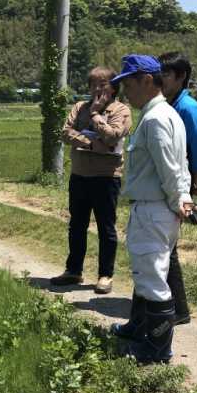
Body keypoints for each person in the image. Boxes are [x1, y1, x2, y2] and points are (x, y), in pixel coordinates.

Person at [109, 54, 195, 364]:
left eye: (128, 84)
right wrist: (182, 200)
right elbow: (180, 167)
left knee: (154, 281)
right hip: (158, 209)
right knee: (147, 272)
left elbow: (170, 168)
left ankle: (156, 351)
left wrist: (178, 201)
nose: (125, 93)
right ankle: (138, 329)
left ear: (147, 80)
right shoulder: (164, 113)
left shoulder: (157, 118)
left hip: (153, 209)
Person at [51, 67, 132, 295]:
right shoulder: (79, 107)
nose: (97, 89)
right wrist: (91, 143)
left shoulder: (120, 110)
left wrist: (96, 115)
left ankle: (105, 275)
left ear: (114, 87)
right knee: (77, 225)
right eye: (93, 84)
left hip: (106, 178)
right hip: (79, 175)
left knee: (106, 228)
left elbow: (113, 136)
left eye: (103, 84)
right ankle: (73, 270)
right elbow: (65, 132)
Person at [159, 51, 197, 325]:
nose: (161, 79)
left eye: (166, 74)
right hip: (172, 182)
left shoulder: (188, 108)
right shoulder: (170, 104)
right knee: (165, 243)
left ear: (181, 77)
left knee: (167, 244)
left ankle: (178, 308)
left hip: (181, 183)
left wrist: (196, 181)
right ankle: (169, 304)